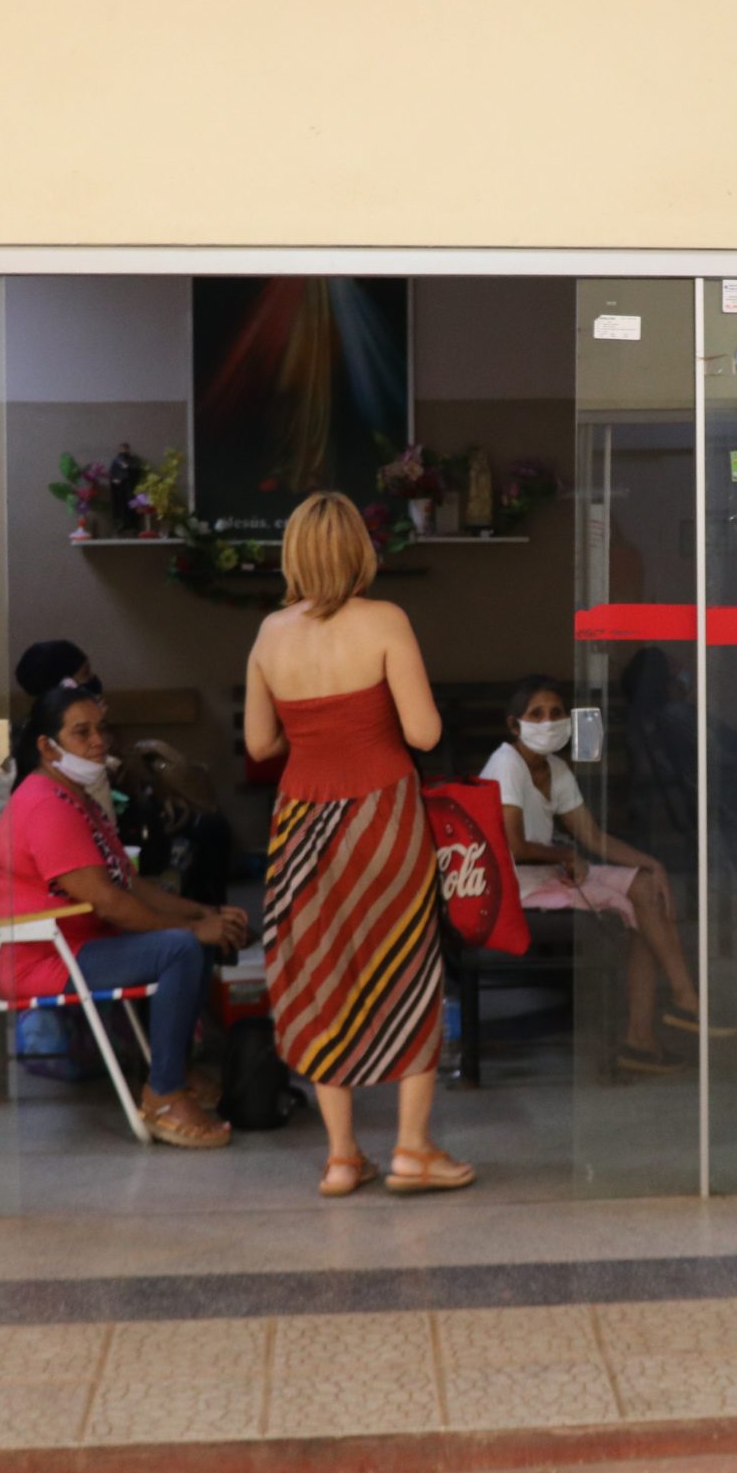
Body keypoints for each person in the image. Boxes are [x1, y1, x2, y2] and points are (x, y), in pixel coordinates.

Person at [245, 491, 470, 1198]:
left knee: (320, 973)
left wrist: (307, 729)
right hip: (383, 817)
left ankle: (342, 1157)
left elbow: (258, 744)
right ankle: (412, 1148)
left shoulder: (269, 633)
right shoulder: (385, 620)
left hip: (301, 821)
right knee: (407, 964)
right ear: (359, 552)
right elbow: (426, 732)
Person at [0, 683, 246, 1148]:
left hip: (75, 945)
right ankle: (163, 1095)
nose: (98, 742)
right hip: (41, 959)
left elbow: (129, 883)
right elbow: (109, 902)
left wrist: (202, 912)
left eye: (100, 729)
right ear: (47, 746)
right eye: (81, 733)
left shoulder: (74, 796)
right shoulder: (47, 804)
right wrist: (191, 928)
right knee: (182, 948)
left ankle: (175, 1069)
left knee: (196, 938)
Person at [481, 677, 732, 1076]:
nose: (549, 721)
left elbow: (593, 837)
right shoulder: (506, 764)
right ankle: (674, 1011)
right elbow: (514, 847)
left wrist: (653, 863)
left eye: (556, 713)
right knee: (641, 906)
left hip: (549, 873)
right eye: (537, 714)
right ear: (515, 726)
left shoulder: (556, 768)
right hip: (518, 885)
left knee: (646, 888)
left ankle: (655, 1028)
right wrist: (565, 854)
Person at [13, 637, 235, 905]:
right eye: (85, 675)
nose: (94, 680)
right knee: (206, 832)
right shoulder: (49, 757)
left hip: (123, 826)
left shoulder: (69, 729)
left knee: (207, 827)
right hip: (115, 843)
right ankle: (206, 920)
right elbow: (99, 809)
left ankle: (211, 918)